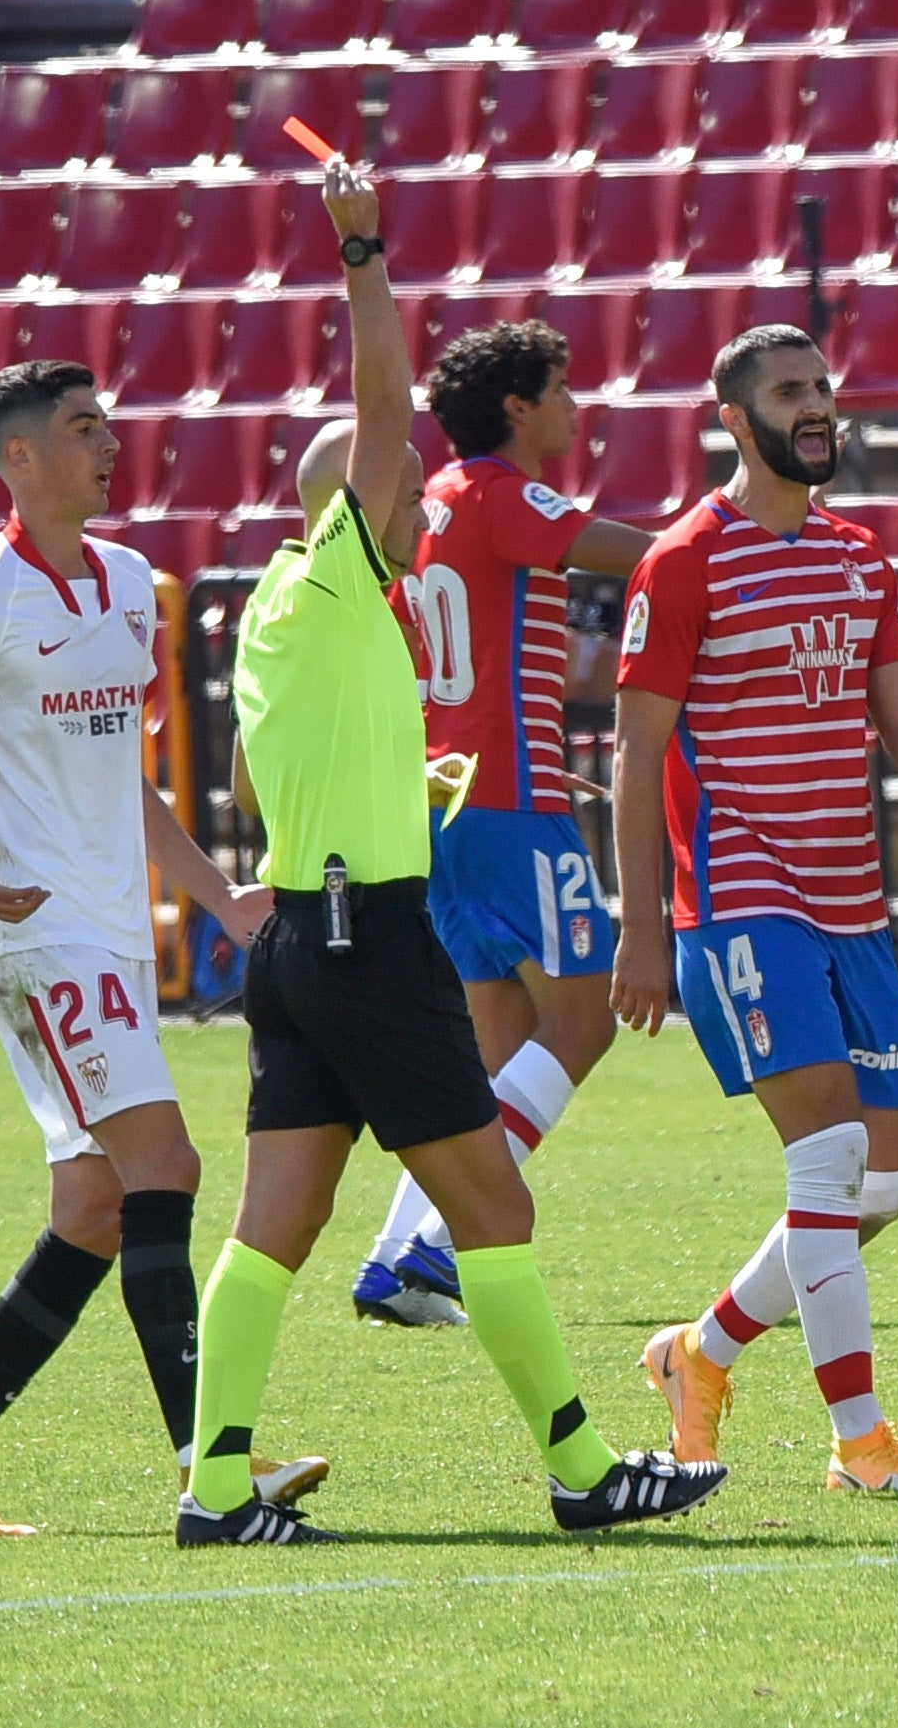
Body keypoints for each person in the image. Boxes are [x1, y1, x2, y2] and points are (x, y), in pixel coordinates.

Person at [184, 158, 723, 1546]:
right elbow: (379, 413)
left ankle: (214, 1489)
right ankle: (586, 1471)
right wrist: (363, 256)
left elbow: (251, 775)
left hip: (301, 934)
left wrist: (383, 777)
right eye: (402, 496)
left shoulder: (269, 610)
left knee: (267, 1233)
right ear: (354, 508)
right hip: (371, 940)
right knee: (488, 1207)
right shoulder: (354, 562)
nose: (420, 513)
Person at [0, 359, 320, 1535]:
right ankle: (213, 1471)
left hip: (114, 937)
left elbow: (117, 777)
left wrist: (220, 897)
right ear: (17, 456)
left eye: (109, 422)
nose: (110, 442)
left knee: (94, 1207)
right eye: (82, 428)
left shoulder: (130, 585)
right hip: (37, 938)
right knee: (166, 1166)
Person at [611, 324, 898, 1492]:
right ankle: (862, 1444)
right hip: (742, 898)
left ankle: (697, 1353)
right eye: (789, 391)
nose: (817, 406)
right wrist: (643, 923)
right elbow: (636, 749)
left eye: (821, 387)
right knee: (825, 1160)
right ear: (734, 417)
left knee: (887, 1177)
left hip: (850, 901)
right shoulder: (684, 558)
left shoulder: (861, 556)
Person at [347, 319, 653, 1328]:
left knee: (498, 1045)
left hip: (441, 802)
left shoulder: (425, 505)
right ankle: (439, 1244)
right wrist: (734, 545)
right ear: (517, 408)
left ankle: (396, 1256)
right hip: (509, 803)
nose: (575, 406)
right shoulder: (503, 493)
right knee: (585, 1015)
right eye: (561, 386)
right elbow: (646, 560)